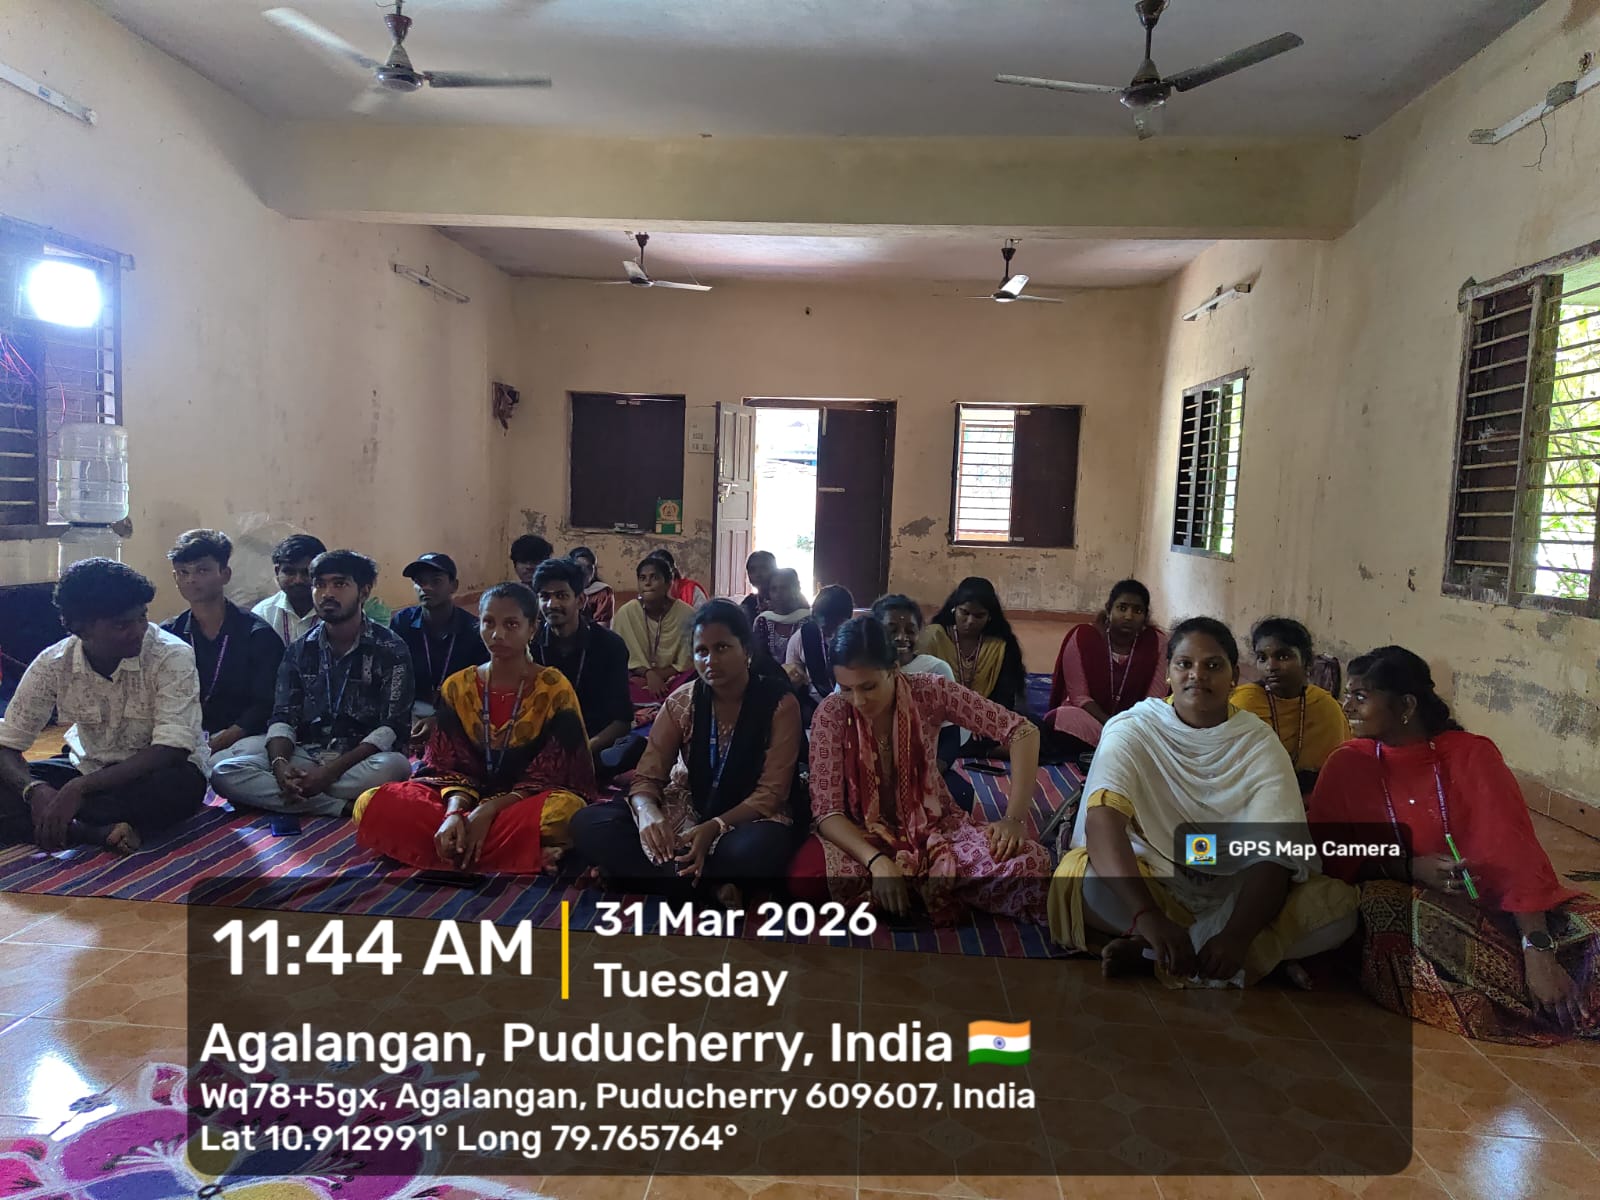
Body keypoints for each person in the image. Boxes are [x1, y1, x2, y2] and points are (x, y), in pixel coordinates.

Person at [1308, 647, 1600, 1043]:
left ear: (1406, 705)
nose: (1346, 706)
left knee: (1594, 925)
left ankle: (1556, 988)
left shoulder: (1471, 754)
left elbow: (1515, 855)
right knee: (1399, 911)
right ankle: (1568, 1011)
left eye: (1361, 696)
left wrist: (1537, 948)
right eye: (1349, 694)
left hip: (1502, 903)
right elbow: (1327, 854)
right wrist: (1410, 868)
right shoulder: (1347, 763)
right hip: (1413, 904)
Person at [1048, 617, 1358, 987]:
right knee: (1080, 880)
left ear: (1233, 678)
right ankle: (1217, 955)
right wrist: (1148, 916)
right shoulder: (1133, 728)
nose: (1197, 675)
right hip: (1156, 873)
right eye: (1184, 664)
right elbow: (1102, 822)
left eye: (1212, 665)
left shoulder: (1257, 742)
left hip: (1235, 885)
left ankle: (1156, 954)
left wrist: (1237, 935)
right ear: (1168, 674)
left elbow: (1276, 850)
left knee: (1338, 911)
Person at [791, 617, 1051, 925]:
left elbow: (1022, 731)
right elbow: (827, 812)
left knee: (1031, 865)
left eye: (868, 686)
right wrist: (877, 862)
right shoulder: (831, 714)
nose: (858, 701)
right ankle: (929, 887)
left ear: (894, 669)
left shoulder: (930, 691)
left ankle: (912, 889)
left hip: (933, 829)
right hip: (859, 833)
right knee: (806, 880)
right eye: (846, 689)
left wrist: (1014, 819)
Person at [569, 600, 803, 902]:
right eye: (701, 651)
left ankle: (654, 877)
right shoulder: (682, 701)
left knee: (758, 848)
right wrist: (648, 813)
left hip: (748, 818)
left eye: (722, 648)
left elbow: (772, 794)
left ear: (746, 650)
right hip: (689, 806)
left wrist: (713, 828)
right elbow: (647, 777)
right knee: (587, 825)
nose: (710, 661)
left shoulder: (779, 704)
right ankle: (712, 889)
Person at [355, 584, 594, 875]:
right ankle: (518, 851)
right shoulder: (458, 685)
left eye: (511, 624)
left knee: (567, 815)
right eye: (488, 622)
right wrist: (456, 812)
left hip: (522, 802)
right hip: (458, 797)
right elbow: (443, 767)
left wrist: (487, 810)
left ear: (532, 628)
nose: (497, 634)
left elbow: (558, 773)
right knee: (369, 803)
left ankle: (451, 848)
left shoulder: (553, 686)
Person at [0, 559, 208, 853]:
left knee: (176, 789)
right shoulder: (53, 663)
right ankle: (94, 831)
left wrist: (77, 790)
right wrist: (34, 792)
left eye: (142, 617)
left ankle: (64, 822)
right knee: (12, 786)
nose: (139, 630)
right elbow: (7, 745)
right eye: (123, 624)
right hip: (87, 768)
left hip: (153, 775)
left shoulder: (171, 655)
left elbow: (171, 748)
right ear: (79, 629)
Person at [210, 550, 414, 817]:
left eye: (339, 584)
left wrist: (329, 773)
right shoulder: (299, 649)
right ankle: (340, 806)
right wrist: (281, 766)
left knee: (396, 767)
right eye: (319, 584)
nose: (327, 593)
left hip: (360, 759)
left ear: (363, 592)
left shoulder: (390, 648)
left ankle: (287, 794)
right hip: (306, 752)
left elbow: (391, 727)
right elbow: (283, 716)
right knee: (222, 770)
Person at [159, 529, 283, 755]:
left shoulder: (257, 634)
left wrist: (221, 741)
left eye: (202, 570)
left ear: (224, 574)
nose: (191, 579)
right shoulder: (168, 634)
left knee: (228, 769)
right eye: (182, 572)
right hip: (181, 737)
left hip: (243, 739)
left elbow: (266, 704)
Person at [529, 558, 633, 768]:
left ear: (580, 600)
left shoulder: (609, 645)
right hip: (538, 745)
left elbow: (621, 721)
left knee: (632, 749)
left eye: (561, 596)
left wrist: (583, 749)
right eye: (544, 597)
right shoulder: (529, 644)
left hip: (591, 745)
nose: (552, 604)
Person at [1231, 617, 1350, 794]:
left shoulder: (1325, 707)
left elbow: (1338, 772)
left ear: (1307, 662)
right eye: (1262, 658)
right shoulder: (1242, 704)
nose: (1271, 666)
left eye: (1283, 656)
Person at [1046, 579, 1168, 749]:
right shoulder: (1083, 637)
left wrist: (1127, 727)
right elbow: (1080, 697)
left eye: (1137, 610)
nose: (1129, 616)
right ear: (1109, 609)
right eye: (1122, 608)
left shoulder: (1158, 643)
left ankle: (1114, 746)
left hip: (1136, 726)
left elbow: (1154, 699)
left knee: (1166, 729)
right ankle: (1120, 747)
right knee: (1062, 717)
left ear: (1145, 616)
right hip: (1094, 720)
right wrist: (1112, 724)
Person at [389, 553, 489, 749]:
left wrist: (441, 719)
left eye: (436, 581)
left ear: (454, 585)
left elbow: (479, 690)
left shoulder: (473, 630)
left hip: (458, 713)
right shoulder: (402, 623)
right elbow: (393, 678)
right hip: (411, 710)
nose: (425, 587)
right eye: (419, 582)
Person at [923, 577, 1027, 712]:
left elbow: (1005, 697)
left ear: (990, 616)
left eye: (979, 616)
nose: (970, 621)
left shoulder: (998, 646)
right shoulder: (934, 637)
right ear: (954, 609)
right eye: (964, 613)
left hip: (986, 717)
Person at [613, 555, 696, 704]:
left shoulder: (687, 615)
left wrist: (659, 677)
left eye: (654, 578)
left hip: (673, 679)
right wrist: (649, 674)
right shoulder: (626, 613)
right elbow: (619, 656)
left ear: (667, 583)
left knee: (692, 680)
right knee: (617, 681)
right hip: (639, 678)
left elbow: (686, 662)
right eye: (642, 578)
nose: (648, 583)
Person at [784, 584, 855, 711]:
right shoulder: (802, 636)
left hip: (852, 704)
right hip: (814, 708)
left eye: (832, 622)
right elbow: (790, 680)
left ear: (847, 619)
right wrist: (794, 679)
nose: (823, 626)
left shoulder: (858, 638)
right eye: (819, 620)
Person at [252, 533, 327, 645]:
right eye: (289, 572)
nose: (298, 580)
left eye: (306, 573)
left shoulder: (335, 610)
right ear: (277, 572)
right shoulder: (263, 614)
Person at [752, 568, 812, 665]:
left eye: (784, 588)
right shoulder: (762, 621)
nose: (778, 594)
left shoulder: (809, 620)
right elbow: (758, 657)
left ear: (796, 589)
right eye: (774, 589)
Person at [569, 546, 615, 628]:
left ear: (594, 570)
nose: (585, 573)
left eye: (589, 568)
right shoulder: (565, 590)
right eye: (579, 567)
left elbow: (603, 629)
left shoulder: (602, 592)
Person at [740, 550, 777, 622]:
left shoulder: (791, 600)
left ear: (775, 571)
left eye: (764, 568)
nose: (758, 574)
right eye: (752, 570)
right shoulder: (749, 603)